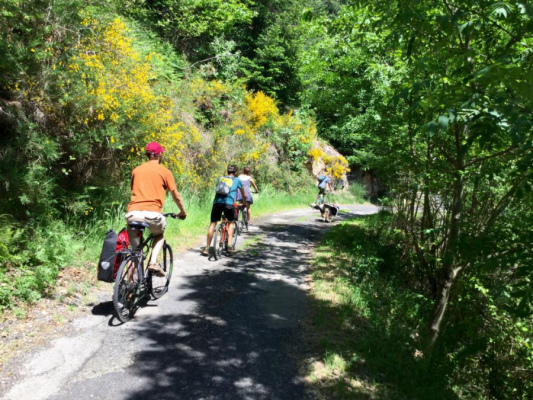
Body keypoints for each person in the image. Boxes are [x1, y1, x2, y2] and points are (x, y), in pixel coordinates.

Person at [126, 142, 187, 276]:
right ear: (159, 155)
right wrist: (182, 211)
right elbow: (175, 195)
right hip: (152, 214)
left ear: (147, 155)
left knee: (135, 251)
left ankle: (128, 286)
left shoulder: (136, 170)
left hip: (133, 213)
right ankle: (153, 262)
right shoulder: (164, 171)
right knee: (159, 235)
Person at [202, 164, 247, 255]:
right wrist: (244, 203)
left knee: (213, 224)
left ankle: (207, 248)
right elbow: (244, 194)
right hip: (229, 204)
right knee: (230, 223)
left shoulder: (220, 178)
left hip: (217, 203)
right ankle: (229, 246)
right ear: (235, 172)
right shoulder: (237, 180)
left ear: (227, 171)